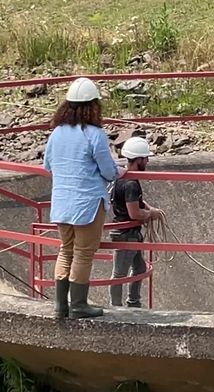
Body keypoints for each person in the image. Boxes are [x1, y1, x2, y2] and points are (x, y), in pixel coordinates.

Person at [43, 77, 126, 319]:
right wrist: (119, 171)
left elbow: (48, 164)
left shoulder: (57, 133)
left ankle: (61, 306)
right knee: (82, 254)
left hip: (61, 203)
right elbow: (109, 171)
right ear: (93, 105)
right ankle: (78, 305)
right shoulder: (94, 134)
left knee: (65, 251)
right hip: (88, 204)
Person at [109, 136, 162, 308]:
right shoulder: (131, 183)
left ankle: (133, 303)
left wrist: (148, 208)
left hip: (129, 234)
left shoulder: (123, 178)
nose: (147, 161)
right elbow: (134, 212)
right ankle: (116, 307)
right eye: (145, 158)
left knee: (139, 269)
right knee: (120, 274)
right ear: (138, 159)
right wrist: (150, 214)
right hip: (127, 235)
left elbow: (134, 203)